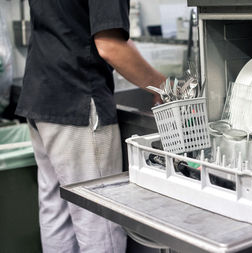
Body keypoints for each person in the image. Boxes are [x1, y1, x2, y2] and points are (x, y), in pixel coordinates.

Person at [15, 1, 165, 252]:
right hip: (78, 99)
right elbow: (110, 47)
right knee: (100, 220)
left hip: (41, 95)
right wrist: (163, 85)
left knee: (57, 211)